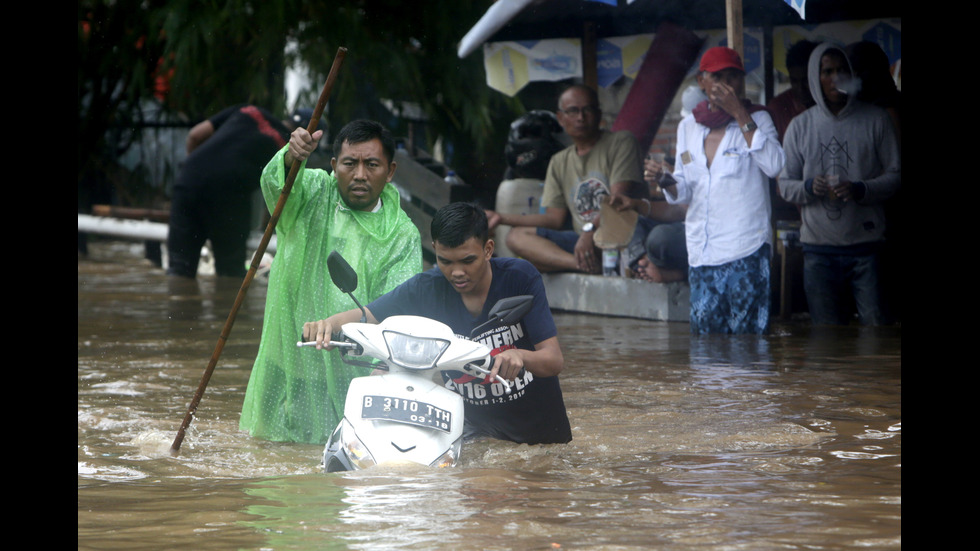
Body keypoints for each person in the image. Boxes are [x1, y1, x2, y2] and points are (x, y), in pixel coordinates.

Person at [303, 202, 572, 445]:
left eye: (468, 261)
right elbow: (367, 315)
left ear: (488, 249)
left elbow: (553, 360)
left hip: (540, 438)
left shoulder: (520, 278)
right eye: (445, 261)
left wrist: (520, 355)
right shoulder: (426, 288)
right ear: (435, 251)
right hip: (474, 437)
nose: (457, 272)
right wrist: (328, 325)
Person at [240, 119, 423, 444]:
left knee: (337, 467)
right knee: (269, 465)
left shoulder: (401, 234)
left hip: (350, 371)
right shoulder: (312, 193)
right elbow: (275, 185)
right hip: (289, 356)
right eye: (350, 164)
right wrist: (290, 156)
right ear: (335, 165)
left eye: (372, 165)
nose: (360, 175)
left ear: (390, 171)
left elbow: (400, 309)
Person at [660, 46, 785, 334]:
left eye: (735, 77)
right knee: (705, 343)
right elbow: (684, 192)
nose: (728, 85)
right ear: (702, 81)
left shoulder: (758, 119)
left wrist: (740, 112)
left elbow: (776, 166)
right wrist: (664, 179)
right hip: (702, 251)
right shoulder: (688, 126)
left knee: (748, 342)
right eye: (719, 77)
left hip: (745, 248)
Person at [777, 43, 901, 326]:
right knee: (826, 342)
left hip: (867, 248)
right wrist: (810, 187)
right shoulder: (799, 126)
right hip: (818, 252)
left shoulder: (877, 119)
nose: (835, 78)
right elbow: (785, 185)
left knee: (875, 336)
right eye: (827, 71)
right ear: (814, 78)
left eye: (842, 70)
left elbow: (896, 176)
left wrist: (861, 189)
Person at [486, 84, 646, 274]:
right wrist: (500, 217)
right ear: (560, 118)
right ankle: (583, 266)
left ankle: (585, 263)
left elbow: (617, 201)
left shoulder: (621, 142)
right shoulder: (559, 161)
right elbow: (554, 219)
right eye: (573, 111)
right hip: (582, 243)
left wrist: (588, 231)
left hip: (621, 237)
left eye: (587, 109)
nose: (581, 117)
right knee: (515, 237)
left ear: (599, 113)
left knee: (535, 262)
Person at [167, 104, 295, 278]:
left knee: (179, 270)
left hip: (189, 181)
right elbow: (276, 196)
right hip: (229, 198)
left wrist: (196, 172)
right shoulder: (289, 152)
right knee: (230, 276)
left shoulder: (249, 110)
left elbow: (195, 135)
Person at [609, 155, 688, 283]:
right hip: (679, 219)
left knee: (660, 237)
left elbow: (685, 210)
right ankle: (646, 263)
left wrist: (668, 179)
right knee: (629, 221)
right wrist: (636, 205)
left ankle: (677, 274)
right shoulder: (688, 144)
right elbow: (678, 209)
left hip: (699, 230)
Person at [768, 40, 818, 144]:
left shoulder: (832, 105)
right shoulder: (778, 107)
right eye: (794, 81)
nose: (800, 88)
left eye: (806, 80)